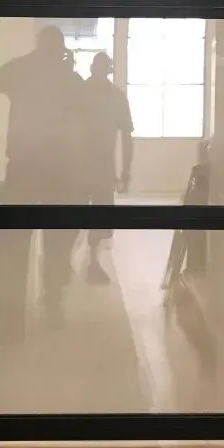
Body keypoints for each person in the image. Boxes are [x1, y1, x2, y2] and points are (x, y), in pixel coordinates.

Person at [0, 25, 84, 307]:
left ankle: (14, 311)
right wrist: (67, 67)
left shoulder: (23, 71)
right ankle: (52, 300)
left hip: (27, 166)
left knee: (18, 240)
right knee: (55, 237)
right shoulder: (66, 77)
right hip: (56, 168)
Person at [81, 51, 134, 283]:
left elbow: (127, 137)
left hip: (100, 168)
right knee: (75, 217)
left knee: (101, 218)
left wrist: (125, 172)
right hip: (77, 166)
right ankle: (67, 264)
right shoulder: (78, 93)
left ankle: (92, 261)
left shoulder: (116, 98)